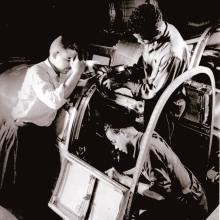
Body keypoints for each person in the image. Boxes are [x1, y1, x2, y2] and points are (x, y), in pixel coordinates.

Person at [2, 35, 95, 219]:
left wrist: (86, 71)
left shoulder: (58, 72)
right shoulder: (38, 72)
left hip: (41, 132)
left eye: (74, 60)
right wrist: (76, 72)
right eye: (68, 59)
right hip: (23, 133)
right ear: (54, 54)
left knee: (42, 180)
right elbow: (54, 100)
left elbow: (67, 86)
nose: (71, 64)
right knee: (21, 185)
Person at [100, 3, 189, 134]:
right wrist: (125, 73)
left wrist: (122, 83)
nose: (141, 44)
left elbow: (153, 92)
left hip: (165, 106)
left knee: (155, 141)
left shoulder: (172, 54)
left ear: (157, 33)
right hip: (151, 96)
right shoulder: (156, 27)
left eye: (143, 41)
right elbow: (144, 66)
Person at [105, 125, 208, 220]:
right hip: (193, 193)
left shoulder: (147, 149)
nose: (116, 147)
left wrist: (122, 179)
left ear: (123, 133)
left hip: (190, 207)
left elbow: (160, 194)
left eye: (114, 141)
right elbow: (146, 167)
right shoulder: (146, 136)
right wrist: (123, 174)